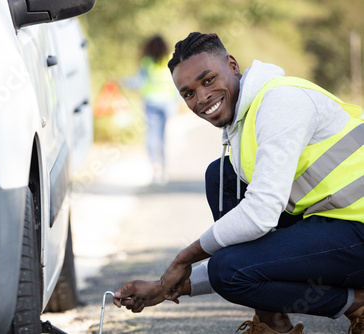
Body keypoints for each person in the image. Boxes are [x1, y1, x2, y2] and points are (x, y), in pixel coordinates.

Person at [113, 32, 364, 334]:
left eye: (208, 80)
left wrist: (183, 259)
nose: (202, 98)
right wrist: (165, 287)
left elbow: (261, 215)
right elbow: (246, 253)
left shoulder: (280, 102)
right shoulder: (244, 121)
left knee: (226, 268)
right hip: (340, 224)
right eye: (188, 93)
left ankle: (357, 303)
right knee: (221, 176)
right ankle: (272, 323)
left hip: (356, 229)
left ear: (232, 64)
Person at [122, 35, 179, 184]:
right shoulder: (170, 61)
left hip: (151, 102)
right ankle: (164, 170)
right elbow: (177, 82)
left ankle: (155, 168)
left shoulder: (147, 62)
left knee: (152, 136)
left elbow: (138, 82)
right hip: (168, 103)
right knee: (164, 137)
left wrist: (122, 82)